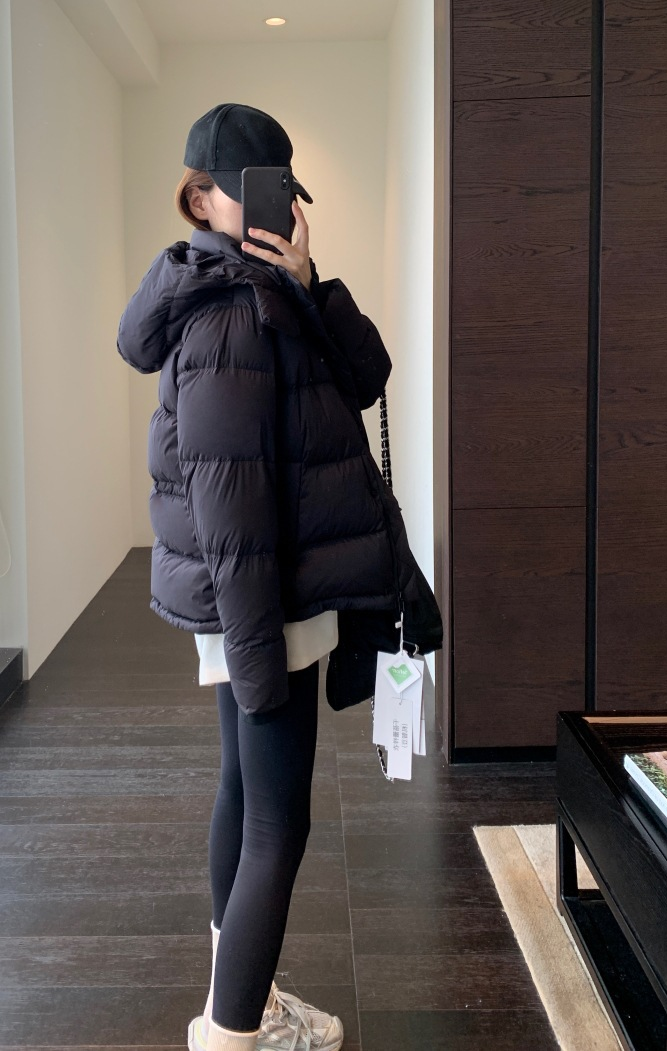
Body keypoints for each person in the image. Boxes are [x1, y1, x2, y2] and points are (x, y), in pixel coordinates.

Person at [117, 102, 442, 1051]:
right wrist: (259, 657)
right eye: (246, 192)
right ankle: (233, 1033)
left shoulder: (267, 291)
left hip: (271, 596)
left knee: (243, 792)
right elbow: (234, 516)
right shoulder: (230, 317)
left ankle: (241, 996)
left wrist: (309, 278)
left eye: (281, 192)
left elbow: (368, 373)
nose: (274, 210)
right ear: (200, 199)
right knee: (277, 824)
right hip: (269, 602)